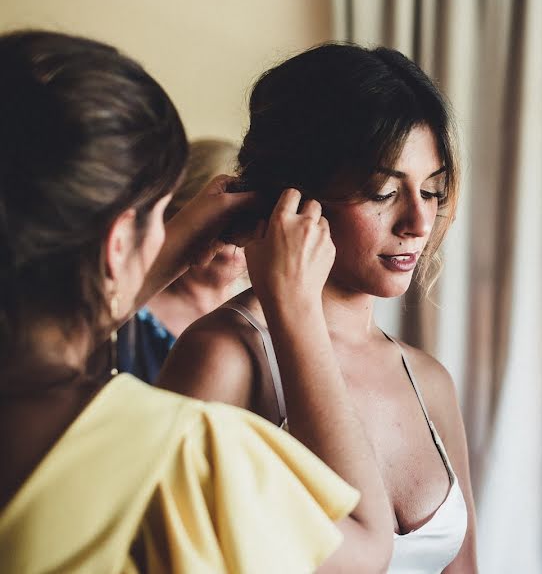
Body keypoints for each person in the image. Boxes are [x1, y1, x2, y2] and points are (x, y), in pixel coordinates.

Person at [0, 30, 363, 572]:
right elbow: (366, 547)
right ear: (119, 241)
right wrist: (298, 310)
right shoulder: (186, 452)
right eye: (164, 209)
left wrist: (170, 244)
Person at [157, 43, 478, 572]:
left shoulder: (429, 381)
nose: (419, 223)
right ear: (297, 194)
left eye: (432, 190)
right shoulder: (223, 356)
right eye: (382, 192)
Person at [116, 138, 248, 383]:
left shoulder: (264, 311)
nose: (233, 239)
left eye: (247, 217)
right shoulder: (122, 314)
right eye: (223, 218)